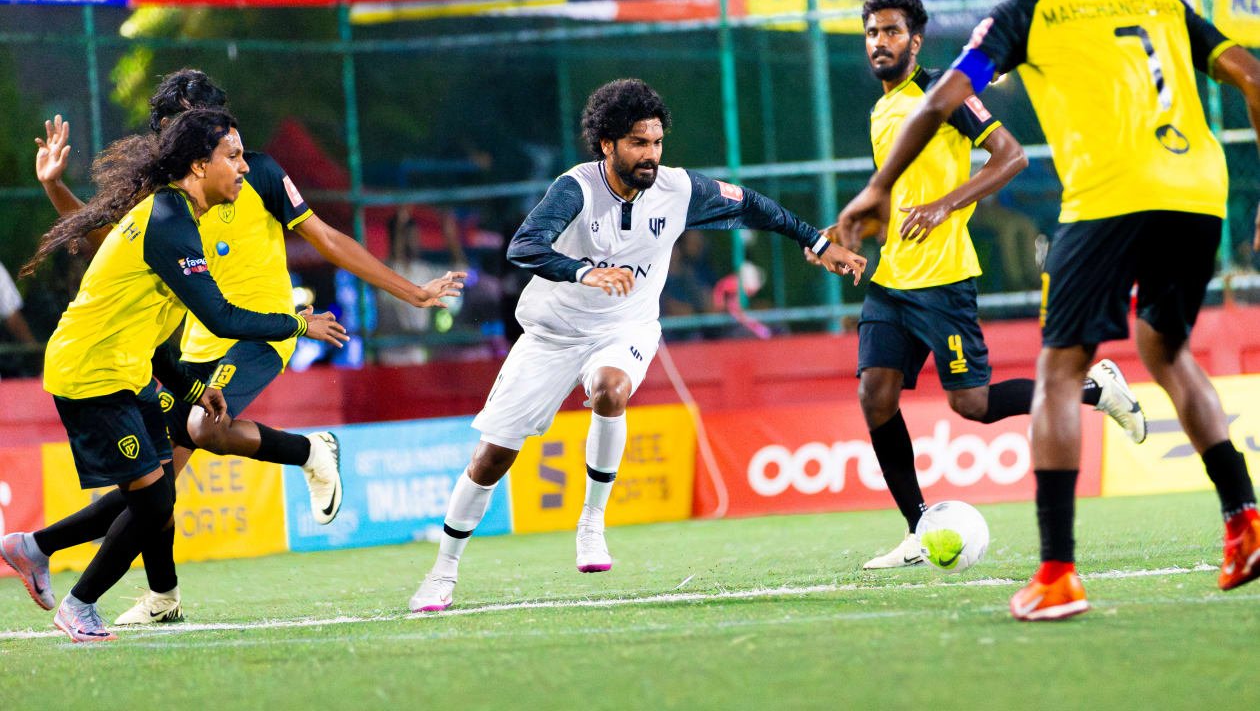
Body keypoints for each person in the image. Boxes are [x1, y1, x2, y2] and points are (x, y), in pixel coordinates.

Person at [838, 0, 1260, 620]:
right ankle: (1245, 523)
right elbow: (1251, 75)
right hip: (1198, 193)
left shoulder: (1024, 13)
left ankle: (1059, 575)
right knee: (1167, 351)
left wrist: (879, 189)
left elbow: (944, 100)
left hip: (1106, 200)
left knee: (1060, 373)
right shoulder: (1161, 3)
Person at [1, 70, 466, 627]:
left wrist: (411, 291)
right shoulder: (169, 197)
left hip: (259, 333)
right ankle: (147, 591)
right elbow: (112, 247)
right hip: (191, 342)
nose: (184, 134)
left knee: (193, 437)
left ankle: (309, 451)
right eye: (174, 125)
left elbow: (326, 238)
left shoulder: (256, 173)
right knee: (155, 486)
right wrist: (55, 187)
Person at [408, 78, 867, 612]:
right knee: (492, 458)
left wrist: (819, 243)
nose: (651, 154)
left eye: (656, 142)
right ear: (607, 144)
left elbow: (755, 206)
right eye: (638, 143)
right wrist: (585, 272)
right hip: (553, 333)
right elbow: (524, 246)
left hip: (625, 328)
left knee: (611, 388)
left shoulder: (678, 189)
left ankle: (591, 523)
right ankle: (442, 572)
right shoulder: (576, 189)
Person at [4, 108, 347, 642]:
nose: (243, 166)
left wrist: (195, 389)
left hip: (130, 369)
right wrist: (299, 323)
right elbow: (221, 318)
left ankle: (33, 549)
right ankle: (79, 605)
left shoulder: (179, 217)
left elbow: (158, 335)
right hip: (91, 373)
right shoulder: (169, 223)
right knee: (154, 501)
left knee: (155, 493)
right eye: (233, 156)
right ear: (199, 165)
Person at [834, 0, 1146, 571]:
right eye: (872, 32)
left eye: (892, 32)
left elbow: (1011, 156)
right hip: (892, 279)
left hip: (943, 280)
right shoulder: (881, 110)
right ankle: (918, 529)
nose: (880, 42)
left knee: (972, 405)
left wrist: (945, 205)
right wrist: (853, 228)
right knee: (874, 396)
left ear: (915, 41)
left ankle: (1095, 390)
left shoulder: (943, 93)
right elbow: (895, 196)